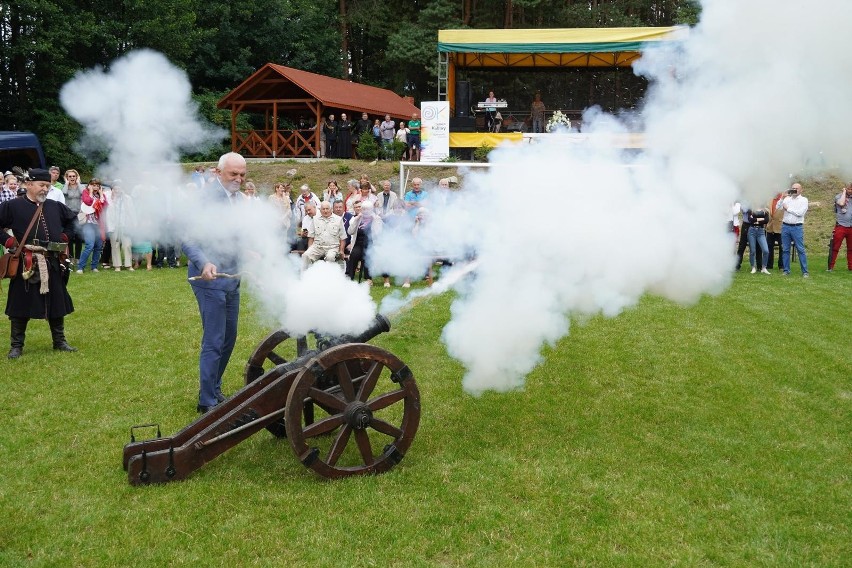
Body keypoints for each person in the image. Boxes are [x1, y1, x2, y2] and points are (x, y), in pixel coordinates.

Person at [183, 152, 248, 413]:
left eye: (243, 174)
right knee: (214, 339)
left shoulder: (239, 199)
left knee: (229, 336)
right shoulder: (204, 199)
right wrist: (204, 262)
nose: (239, 179)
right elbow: (188, 238)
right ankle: (206, 401)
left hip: (232, 277)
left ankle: (214, 387)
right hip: (208, 278)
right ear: (218, 172)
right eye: (234, 174)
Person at [0, 168, 77, 358]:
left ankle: (59, 341)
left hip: (51, 261)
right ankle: (16, 346)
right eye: (42, 185)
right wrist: (8, 241)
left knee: (56, 301)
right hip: (26, 263)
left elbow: (73, 221)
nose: (45, 189)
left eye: (48, 186)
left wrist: (65, 236)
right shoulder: (13, 206)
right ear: (28, 184)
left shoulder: (54, 206)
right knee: (20, 304)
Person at [777, 182, 809, 277]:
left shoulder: (804, 200)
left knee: (800, 249)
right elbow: (778, 207)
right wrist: (782, 197)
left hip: (797, 227)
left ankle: (805, 271)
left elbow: (800, 213)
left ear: (801, 190)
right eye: (793, 188)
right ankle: (786, 270)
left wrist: (788, 209)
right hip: (786, 226)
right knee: (785, 249)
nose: (794, 190)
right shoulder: (787, 199)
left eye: (797, 188)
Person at [302, 201, 346, 268]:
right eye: (323, 209)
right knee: (306, 255)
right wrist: (309, 249)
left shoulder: (338, 220)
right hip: (317, 247)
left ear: (331, 209)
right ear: (320, 210)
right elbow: (311, 237)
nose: (325, 211)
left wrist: (341, 251)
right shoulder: (315, 219)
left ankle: (329, 277)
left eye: (327, 209)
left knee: (330, 257)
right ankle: (305, 276)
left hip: (332, 247)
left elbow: (342, 238)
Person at [76, 178, 107, 273]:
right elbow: (88, 201)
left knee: (98, 246)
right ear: (89, 185)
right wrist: (90, 192)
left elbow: (105, 204)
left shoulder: (100, 195)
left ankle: (94, 267)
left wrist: (101, 194)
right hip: (88, 223)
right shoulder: (85, 192)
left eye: (97, 185)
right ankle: (80, 267)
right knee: (89, 245)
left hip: (98, 224)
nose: (96, 187)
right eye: (93, 185)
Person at [105, 181, 136, 271]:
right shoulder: (108, 198)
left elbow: (132, 212)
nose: (117, 190)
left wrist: (134, 223)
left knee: (127, 245)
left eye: (119, 188)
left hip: (125, 225)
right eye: (115, 189)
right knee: (115, 246)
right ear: (112, 189)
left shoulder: (127, 198)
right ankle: (117, 265)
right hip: (113, 226)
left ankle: (128, 265)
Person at [828, 181, 852, 271]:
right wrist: (844, 193)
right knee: (835, 248)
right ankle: (830, 267)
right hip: (840, 226)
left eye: (851, 189)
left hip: (851, 226)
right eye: (848, 189)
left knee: (851, 249)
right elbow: (841, 203)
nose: (850, 191)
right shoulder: (839, 196)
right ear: (845, 188)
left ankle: (850, 267)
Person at [745, 208, 770, 274]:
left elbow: (766, 220)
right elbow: (750, 220)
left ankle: (764, 268)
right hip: (752, 231)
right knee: (752, 251)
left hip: (761, 231)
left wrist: (756, 220)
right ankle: (753, 267)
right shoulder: (751, 209)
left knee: (766, 250)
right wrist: (761, 219)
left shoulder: (765, 210)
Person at [765, 192, 784, 270]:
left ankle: (781, 266)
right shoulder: (769, 199)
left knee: (782, 248)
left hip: (781, 227)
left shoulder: (785, 199)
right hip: (770, 227)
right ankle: (769, 265)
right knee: (769, 247)